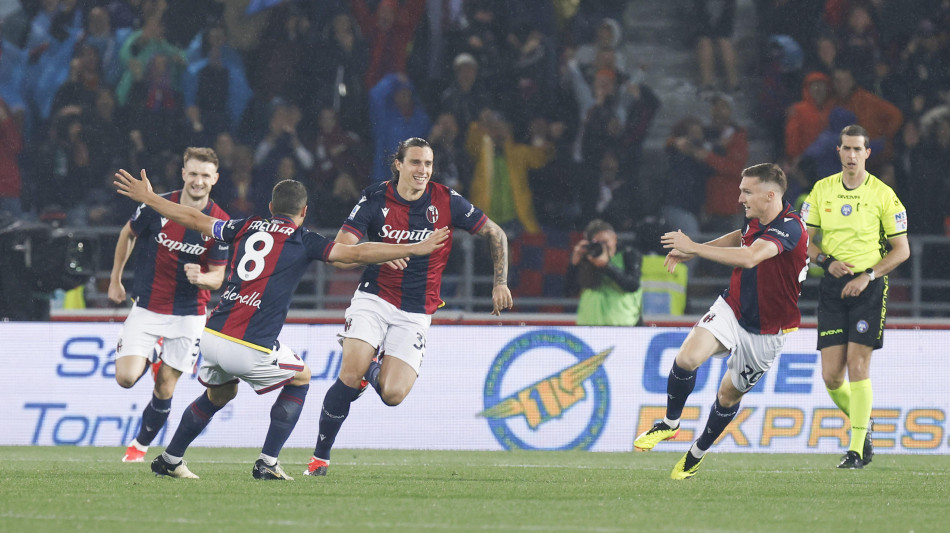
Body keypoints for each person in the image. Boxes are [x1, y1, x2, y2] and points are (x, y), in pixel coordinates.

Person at [113, 170, 450, 480]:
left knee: (221, 392)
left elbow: (195, 219)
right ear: (304, 212)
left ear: (271, 207)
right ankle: (268, 462)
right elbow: (355, 254)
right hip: (249, 343)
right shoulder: (304, 239)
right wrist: (413, 247)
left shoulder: (246, 225)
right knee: (301, 378)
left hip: (213, 334)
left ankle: (170, 459)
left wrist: (151, 198)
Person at [305, 137, 513, 477]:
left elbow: (496, 233)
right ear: (398, 164)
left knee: (393, 394)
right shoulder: (375, 197)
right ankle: (319, 460)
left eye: (428, 164)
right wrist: (384, 252)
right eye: (415, 162)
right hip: (374, 297)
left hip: (416, 310)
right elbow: (340, 253)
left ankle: (372, 369)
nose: (423, 170)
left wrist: (500, 282)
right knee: (349, 374)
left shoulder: (446, 200)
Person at [633, 163, 808, 479]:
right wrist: (696, 251)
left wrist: (694, 247)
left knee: (728, 395)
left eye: (747, 192)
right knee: (686, 358)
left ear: (770, 195)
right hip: (733, 306)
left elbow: (751, 256)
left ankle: (696, 453)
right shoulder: (755, 216)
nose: (740, 198)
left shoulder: (791, 227)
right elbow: (741, 238)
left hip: (767, 330)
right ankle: (670, 423)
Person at [109, 147, 229, 464]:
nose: (199, 181)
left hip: (189, 314)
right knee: (125, 378)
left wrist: (203, 278)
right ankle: (151, 354)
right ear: (183, 173)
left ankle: (138, 447)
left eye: (205, 175)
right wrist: (115, 278)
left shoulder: (219, 222)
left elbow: (218, 277)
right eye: (194, 173)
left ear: (215, 179)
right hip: (148, 307)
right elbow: (128, 233)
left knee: (165, 387)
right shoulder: (156, 204)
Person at [800, 124, 910, 469]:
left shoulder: (883, 194)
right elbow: (804, 241)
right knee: (832, 377)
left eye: (857, 149)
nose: (851, 155)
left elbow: (902, 249)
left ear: (867, 153)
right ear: (838, 151)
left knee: (858, 366)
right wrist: (825, 261)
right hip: (833, 287)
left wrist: (868, 276)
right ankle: (865, 421)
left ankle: (857, 448)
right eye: (846, 149)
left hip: (869, 286)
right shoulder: (822, 190)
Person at [566, 219, 643, 326]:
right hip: (588, 326)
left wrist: (606, 266)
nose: (603, 246)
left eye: (605, 242)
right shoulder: (588, 258)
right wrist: (574, 265)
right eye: (598, 243)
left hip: (622, 326)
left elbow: (632, 285)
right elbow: (570, 291)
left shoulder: (628, 254)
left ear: (614, 238)